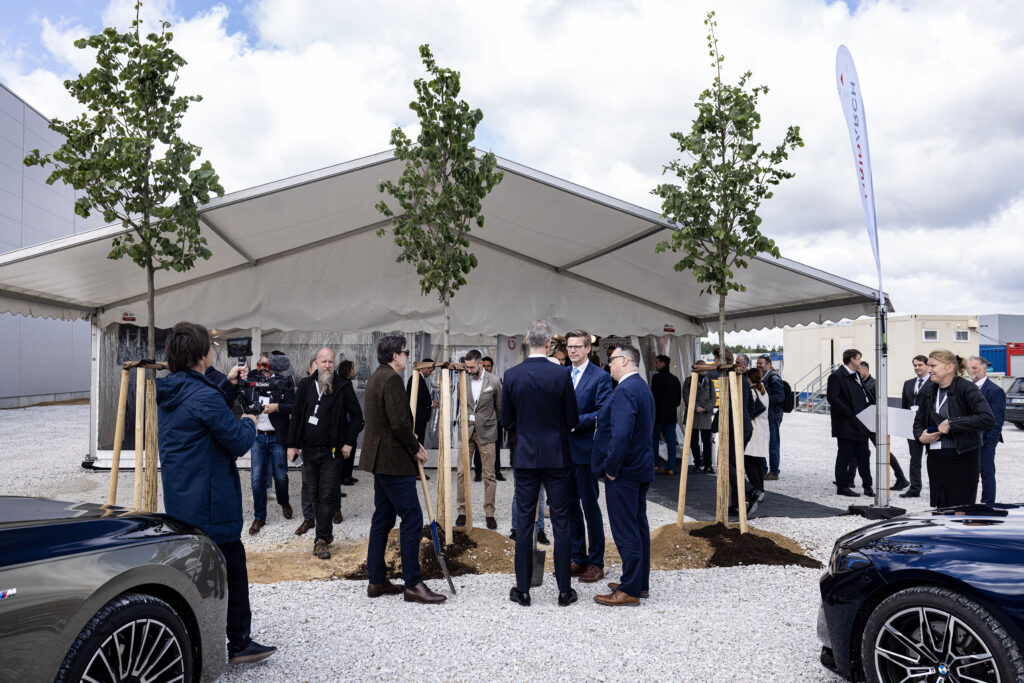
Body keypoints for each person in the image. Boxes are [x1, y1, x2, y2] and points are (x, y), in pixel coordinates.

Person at [156, 321, 276, 666]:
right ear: (201, 355)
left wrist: (227, 383)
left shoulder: (173, 391)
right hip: (211, 502)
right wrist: (249, 420)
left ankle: (184, 640)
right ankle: (238, 643)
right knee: (231, 567)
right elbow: (237, 441)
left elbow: (203, 410)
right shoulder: (204, 396)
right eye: (210, 346)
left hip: (182, 496)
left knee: (192, 570)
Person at [361, 335, 446, 604]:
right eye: (406, 353)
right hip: (393, 460)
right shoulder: (392, 379)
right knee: (412, 517)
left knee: (383, 518)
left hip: (381, 459)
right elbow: (398, 423)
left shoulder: (377, 376)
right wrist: (414, 447)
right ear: (395, 355)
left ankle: (376, 580)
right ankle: (413, 584)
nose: (408, 357)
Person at [502, 319, 579, 607]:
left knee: (524, 523)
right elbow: (572, 418)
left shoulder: (512, 375)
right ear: (549, 343)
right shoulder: (561, 375)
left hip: (525, 456)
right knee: (561, 522)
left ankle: (523, 590)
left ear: (526, 340)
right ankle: (564, 591)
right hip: (556, 455)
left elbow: (506, 420)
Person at [592, 343, 655, 606]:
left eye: (613, 359)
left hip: (624, 472)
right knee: (638, 526)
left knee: (626, 529)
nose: (609, 364)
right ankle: (639, 583)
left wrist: (611, 469)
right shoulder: (641, 386)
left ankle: (629, 589)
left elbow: (621, 435)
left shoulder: (626, 390)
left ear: (625, 361)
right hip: (639, 468)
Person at [286, 347, 364, 560]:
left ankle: (320, 540)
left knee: (328, 496)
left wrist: (349, 442)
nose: (327, 365)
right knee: (315, 496)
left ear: (334, 363)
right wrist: (291, 445)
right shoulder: (305, 385)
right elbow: (296, 416)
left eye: (330, 362)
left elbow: (357, 417)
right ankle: (326, 534)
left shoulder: (343, 386)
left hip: (332, 453)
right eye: (324, 362)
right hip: (309, 453)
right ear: (316, 363)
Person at [914, 350, 995, 507]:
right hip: (936, 459)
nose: (928, 370)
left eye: (933, 366)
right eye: (928, 366)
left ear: (949, 367)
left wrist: (952, 423)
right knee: (941, 508)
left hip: (963, 459)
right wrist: (920, 437)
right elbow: (918, 421)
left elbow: (987, 418)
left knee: (960, 510)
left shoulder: (967, 388)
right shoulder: (928, 390)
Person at [564, 329, 612, 584]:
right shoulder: (563, 374)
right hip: (563, 453)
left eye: (577, 346)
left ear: (587, 349)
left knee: (590, 507)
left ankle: (596, 562)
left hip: (585, 452)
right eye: (569, 346)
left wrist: (574, 422)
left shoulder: (600, 377)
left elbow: (603, 413)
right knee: (570, 507)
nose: (572, 350)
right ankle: (578, 557)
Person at [245, 352, 294, 534]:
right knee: (257, 478)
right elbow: (243, 401)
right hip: (258, 437)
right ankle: (259, 517)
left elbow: (294, 406)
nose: (266, 369)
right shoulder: (251, 380)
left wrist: (277, 407)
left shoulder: (284, 381)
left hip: (277, 436)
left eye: (269, 365)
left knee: (281, 476)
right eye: (262, 365)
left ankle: (284, 502)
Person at [456, 349, 502, 530]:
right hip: (466, 431)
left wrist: (491, 423)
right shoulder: (462, 379)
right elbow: (460, 403)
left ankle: (489, 513)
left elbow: (500, 407)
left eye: (472, 367)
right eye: (466, 367)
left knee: (489, 474)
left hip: (487, 432)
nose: (468, 370)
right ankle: (461, 511)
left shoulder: (495, 381)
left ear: (480, 364)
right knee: (461, 472)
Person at [827, 349, 874, 497]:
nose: (860, 361)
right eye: (859, 358)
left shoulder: (856, 375)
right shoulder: (837, 376)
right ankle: (842, 486)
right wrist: (849, 413)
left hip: (861, 421)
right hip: (846, 423)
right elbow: (833, 397)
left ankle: (867, 486)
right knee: (845, 454)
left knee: (864, 454)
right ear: (852, 359)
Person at [858, 360, 909, 491]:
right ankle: (849, 479)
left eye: (859, 370)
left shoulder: (875, 384)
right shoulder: (860, 383)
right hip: (863, 422)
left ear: (866, 370)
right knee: (856, 450)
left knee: (884, 451)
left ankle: (901, 478)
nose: (857, 372)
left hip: (873, 423)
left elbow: (880, 403)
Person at [968, 356, 1005, 505]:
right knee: (968, 473)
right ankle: (968, 502)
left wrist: (989, 441)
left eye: (975, 368)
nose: (971, 371)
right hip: (968, 439)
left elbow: (998, 420)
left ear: (984, 370)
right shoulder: (967, 388)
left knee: (987, 472)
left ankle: (987, 504)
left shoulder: (995, 391)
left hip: (986, 440)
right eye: (970, 368)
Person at [899, 355, 932, 498]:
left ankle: (936, 487)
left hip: (929, 426)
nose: (917, 368)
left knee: (933, 459)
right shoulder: (908, 384)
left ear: (927, 366)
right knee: (915, 459)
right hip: (912, 427)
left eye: (920, 365)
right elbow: (904, 405)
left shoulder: (934, 383)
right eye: (915, 365)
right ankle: (914, 488)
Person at [650, 354, 682, 475]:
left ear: (663, 364)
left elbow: (653, 397)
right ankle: (671, 467)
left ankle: (654, 465)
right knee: (671, 442)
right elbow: (678, 400)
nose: (655, 364)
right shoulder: (675, 379)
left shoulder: (656, 378)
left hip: (658, 415)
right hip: (671, 415)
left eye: (657, 362)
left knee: (654, 440)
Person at [744, 367, 770, 515]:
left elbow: (750, 411)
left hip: (754, 429)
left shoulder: (752, 392)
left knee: (749, 461)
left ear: (749, 378)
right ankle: (761, 489)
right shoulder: (763, 391)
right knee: (758, 462)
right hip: (763, 429)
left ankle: (756, 490)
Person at [682, 362, 716, 474]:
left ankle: (708, 465)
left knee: (707, 442)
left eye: (704, 368)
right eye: (700, 367)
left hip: (705, 415)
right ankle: (697, 463)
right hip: (693, 414)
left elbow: (713, 398)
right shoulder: (688, 380)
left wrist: (705, 408)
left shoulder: (709, 381)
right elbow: (686, 396)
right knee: (693, 441)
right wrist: (696, 407)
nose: (703, 370)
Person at [756, 354, 785, 480]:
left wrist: (764, 399)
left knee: (773, 444)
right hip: (765, 415)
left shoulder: (774, 378)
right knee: (761, 442)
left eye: (760, 363)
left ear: (768, 364)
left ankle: (774, 471)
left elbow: (780, 397)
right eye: (757, 363)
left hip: (773, 416)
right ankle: (763, 469)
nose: (758, 365)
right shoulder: (763, 378)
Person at [482, 355, 506, 480]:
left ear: (492, 367)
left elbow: (500, 402)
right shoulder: (475, 380)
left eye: (488, 366)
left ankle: (497, 471)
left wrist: (498, 419)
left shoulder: (497, 380)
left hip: (494, 420)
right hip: (480, 420)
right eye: (484, 366)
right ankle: (478, 471)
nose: (486, 368)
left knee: (496, 447)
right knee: (479, 446)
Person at [337, 359, 360, 488]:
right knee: (347, 448)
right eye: (352, 368)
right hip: (345, 422)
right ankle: (344, 475)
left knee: (352, 446)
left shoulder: (347, 383)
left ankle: (348, 474)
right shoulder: (343, 384)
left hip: (350, 422)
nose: (354, 371)